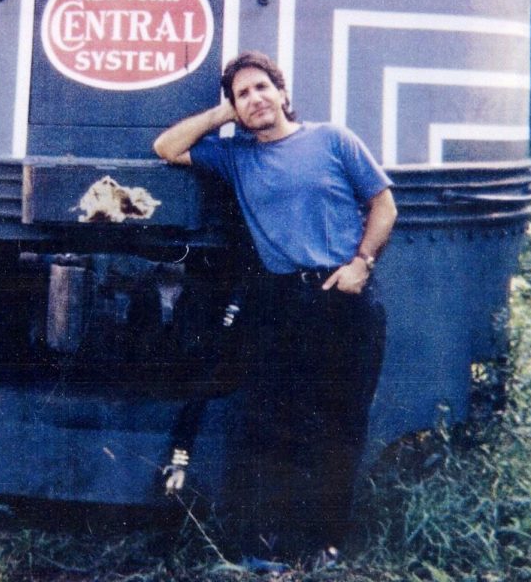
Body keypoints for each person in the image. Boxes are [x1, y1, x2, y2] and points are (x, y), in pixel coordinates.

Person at [154, 51, 396, 571]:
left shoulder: (332, 139)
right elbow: (167, 147)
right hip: (281, 302)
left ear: (283, 94)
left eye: (262, 87)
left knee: (339, 424)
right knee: (272, 426)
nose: (255, 98)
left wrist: (362, 263)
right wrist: (221, 117)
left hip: (345, 299)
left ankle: (325, 543)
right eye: (243, 94)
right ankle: (266, 550)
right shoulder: (237, 156)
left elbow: (384, 203)